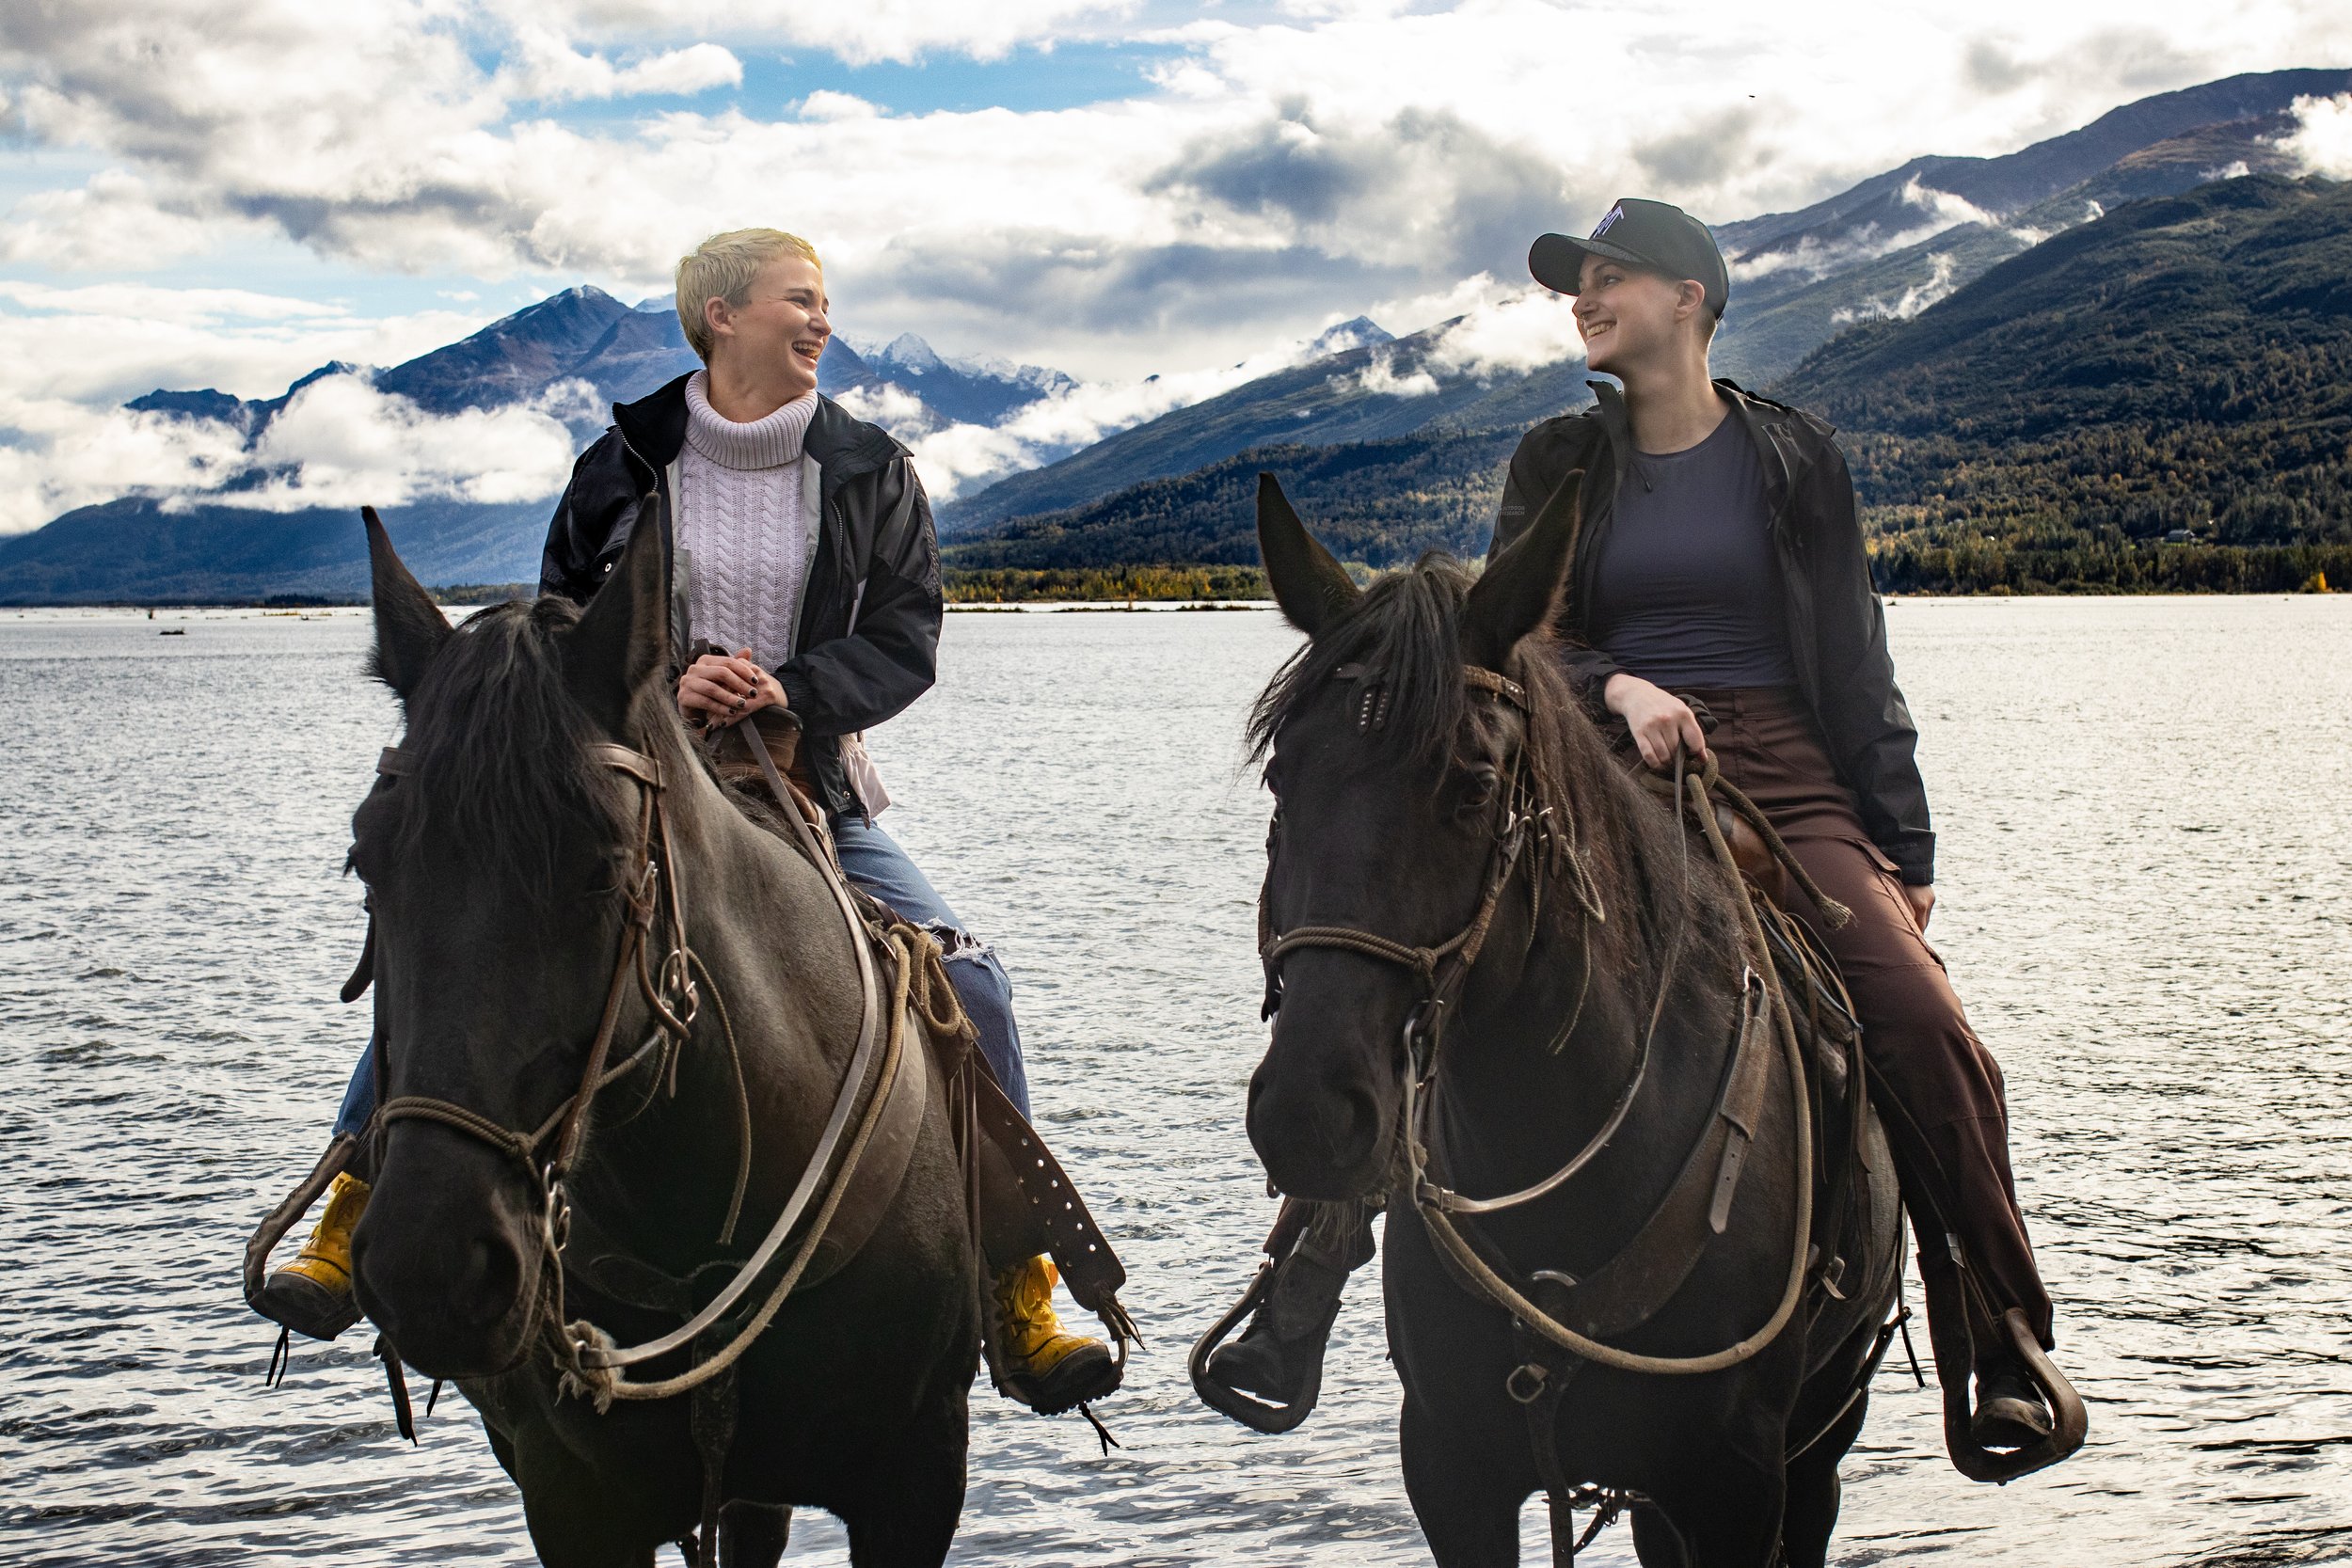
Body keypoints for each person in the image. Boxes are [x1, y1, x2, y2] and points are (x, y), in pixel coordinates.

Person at [1207, 198, 2064, 1452]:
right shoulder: (1557, 460)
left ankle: (1997, 1332)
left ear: (1690, 300)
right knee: (1429, 958)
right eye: (1578, 282)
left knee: (1928, 1026)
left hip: (1776, 768)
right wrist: (1616, 681)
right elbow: (1511, 629)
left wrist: (1905, 848)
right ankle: (1304, 1278)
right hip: (1591, 758)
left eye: (1612, 278)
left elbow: (1853, 661)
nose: (1585, 299)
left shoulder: (1792, 460)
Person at [262, 228, 1116, 1415]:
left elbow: (909, 637)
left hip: (803, 782)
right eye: (799, 302)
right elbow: (560, 635)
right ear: (720, 316)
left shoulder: (874, 470)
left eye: (824, 304)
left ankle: (1015, 1280)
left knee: (971, 984)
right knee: (479, 943)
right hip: (633, 783)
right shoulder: (618, 462)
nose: (821, 323)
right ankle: (354, 1203)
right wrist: (665, 683)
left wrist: (787, 689)